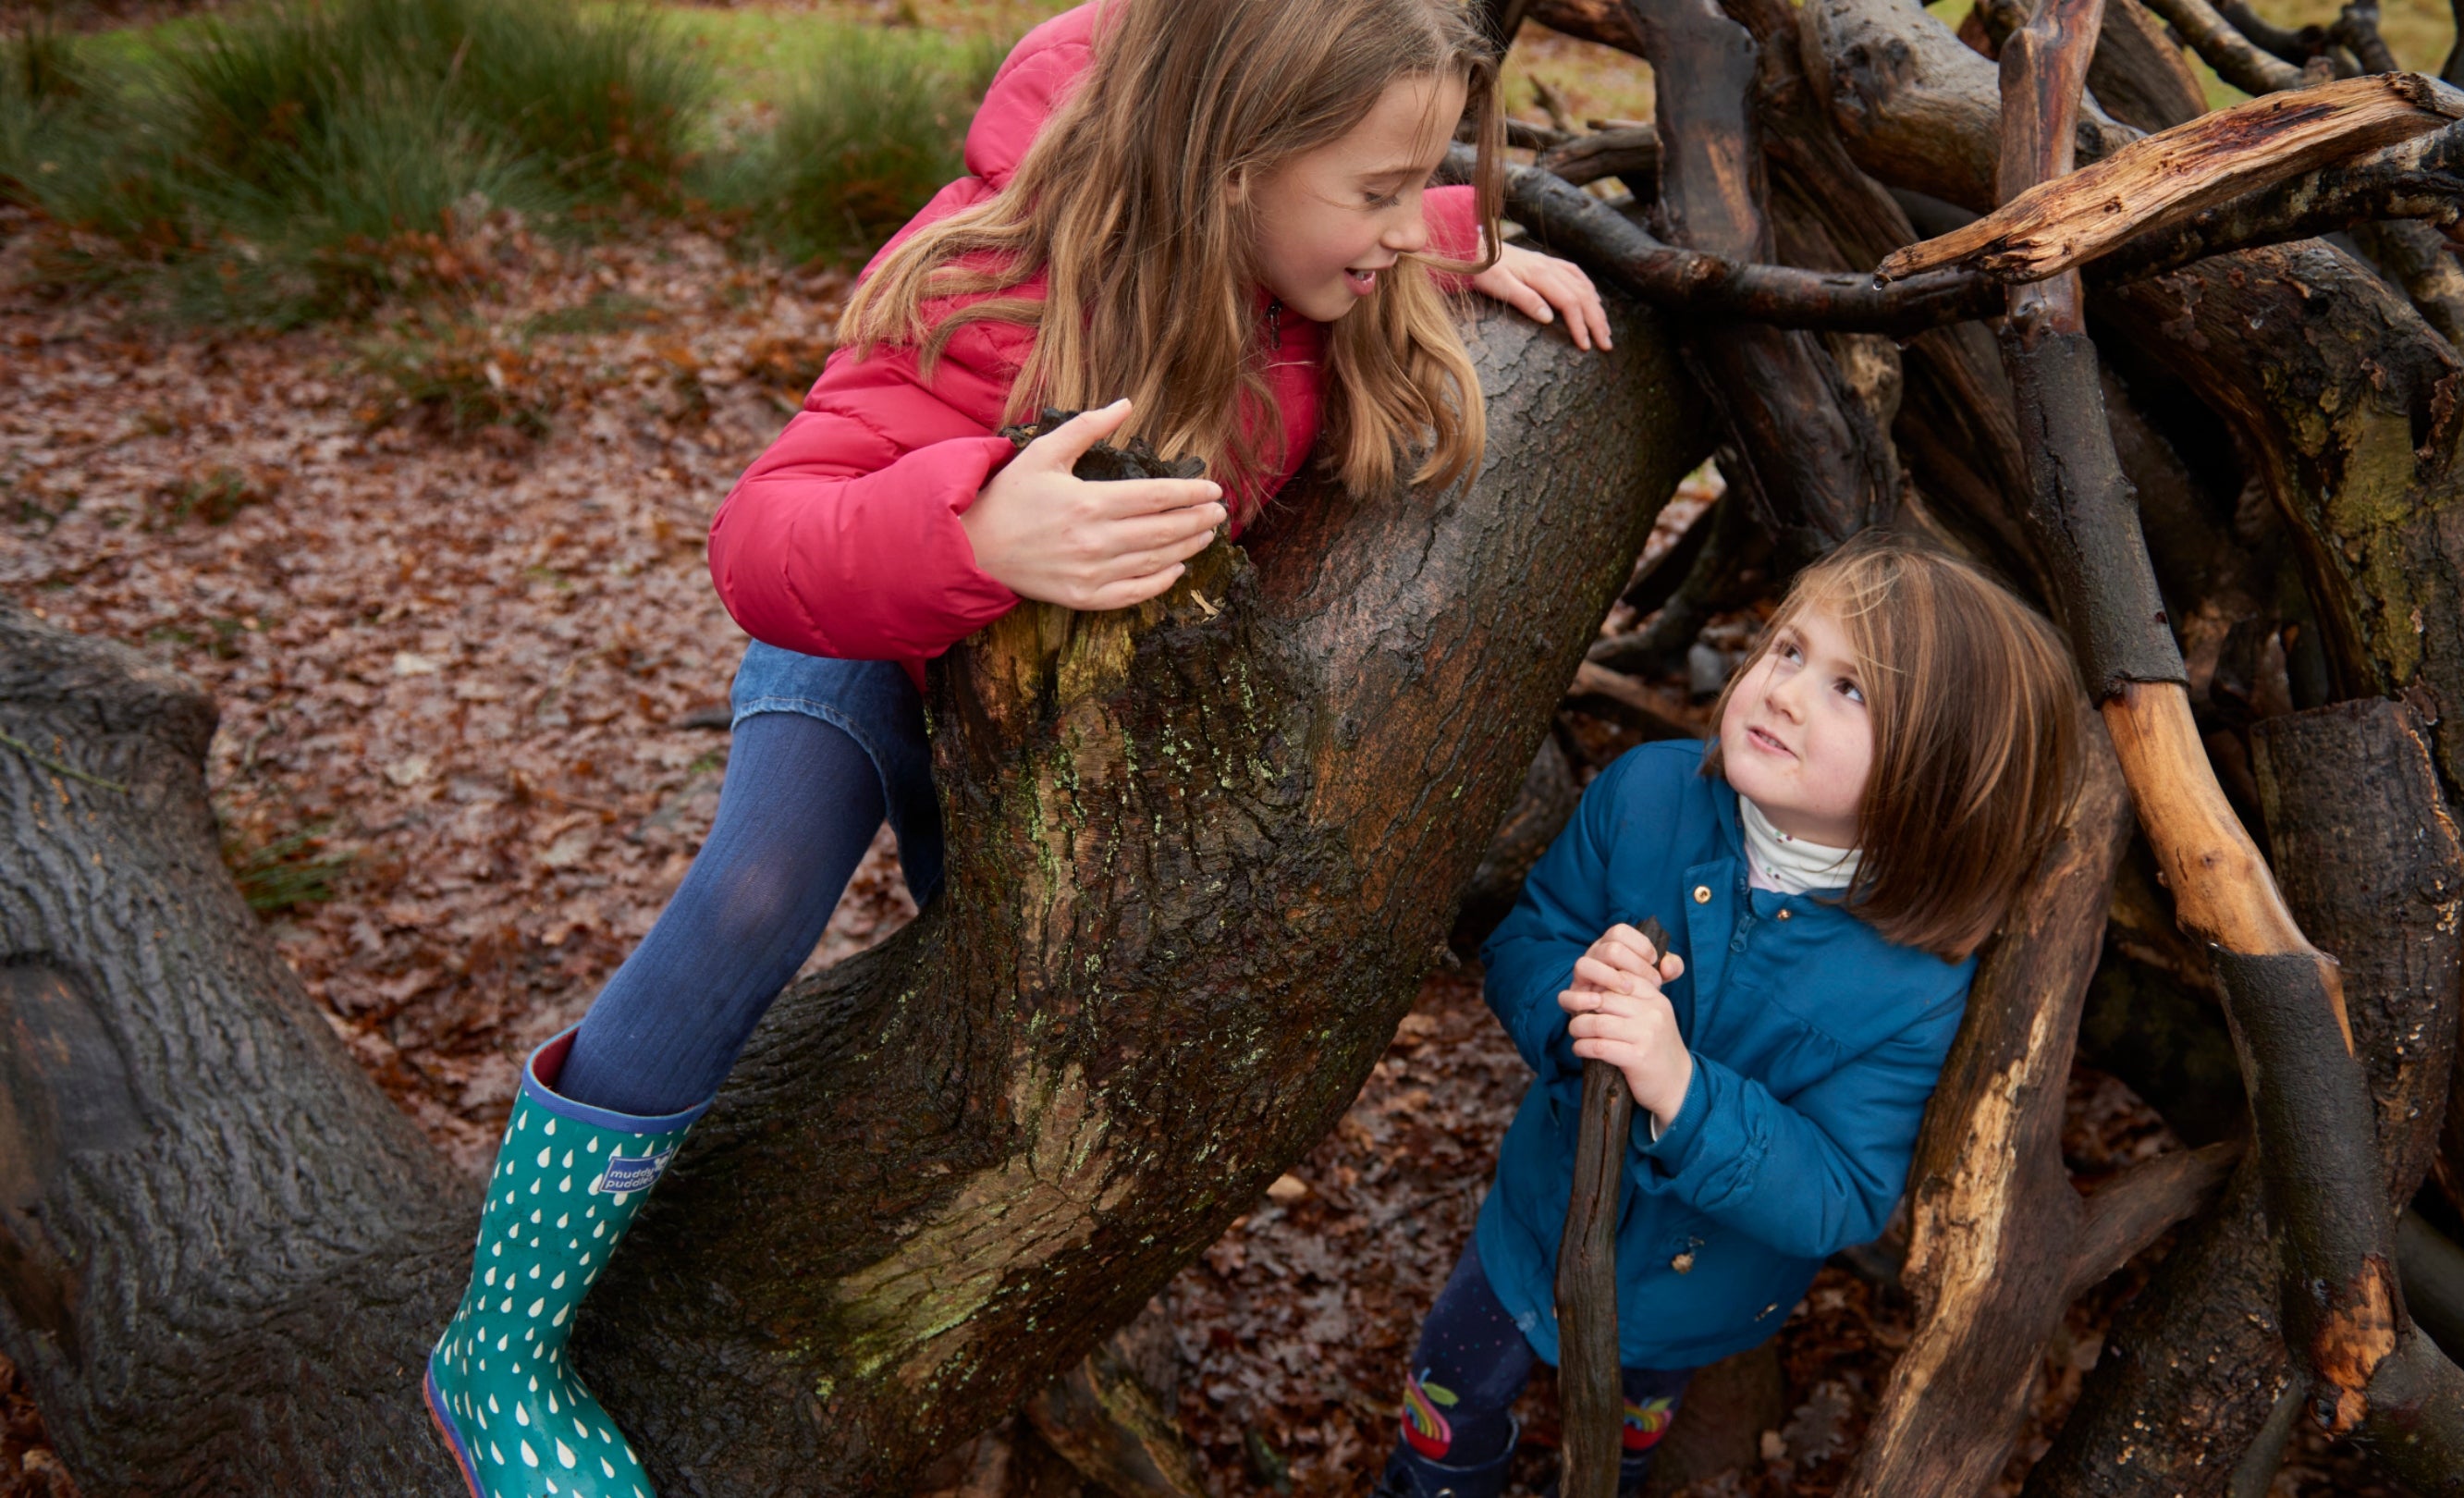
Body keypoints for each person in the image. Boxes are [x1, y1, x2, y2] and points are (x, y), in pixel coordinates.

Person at [422, 2, 1614, 1493]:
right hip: (882, 620)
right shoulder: (1005, 277)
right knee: (758, 887)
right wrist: (973, 521)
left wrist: (1449, 231)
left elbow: (1357, 199)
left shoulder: (1284, 246)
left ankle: (977, 1285)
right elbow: (763, 534)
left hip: (1042, 714)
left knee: (1017, 969)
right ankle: (500, 1343)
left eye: (1409, 180)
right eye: (1374, 191)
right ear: (1233, 156)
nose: (1392, 222)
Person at [1378, 534, 2084, 1497]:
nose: (1786, 691)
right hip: (1533, 1230)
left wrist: (1681, 1090)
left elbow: (1842, 1190)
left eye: (1852, 690)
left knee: (1616, 1450)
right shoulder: (1649, 796)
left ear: (1943, 772)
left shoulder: (1915, 981)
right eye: (1789, 651)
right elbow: (1524, 941)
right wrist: (1573, 993)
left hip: (1693, 1297)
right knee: (1449, 1402)